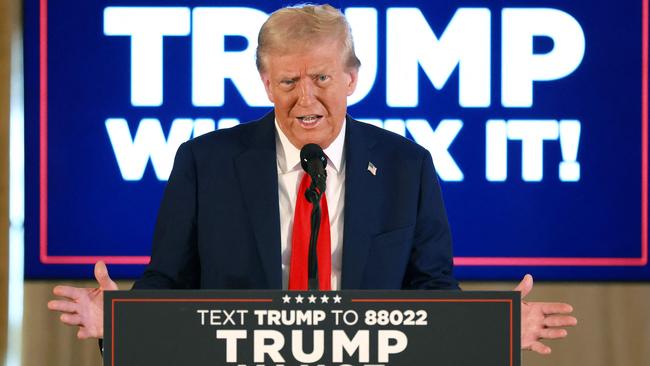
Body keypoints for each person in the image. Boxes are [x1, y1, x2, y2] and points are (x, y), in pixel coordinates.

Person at [48, 4, 576, 355]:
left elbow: (431, 296)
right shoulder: (203, 163)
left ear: (351, 78)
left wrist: (495, 331)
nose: (305, 98)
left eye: (322, 78)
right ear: (264, 82)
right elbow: (169, 286)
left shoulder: (407, 166)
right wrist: (118, 323)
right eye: (288, 80)